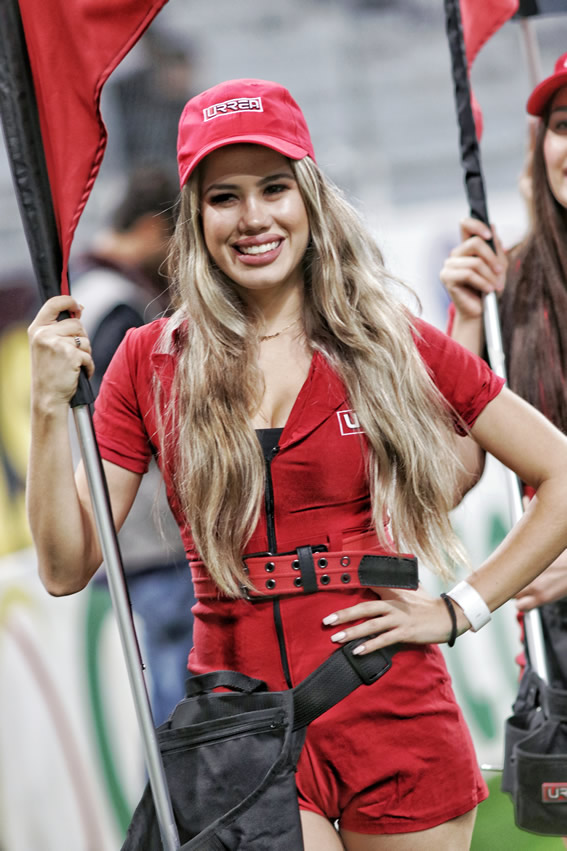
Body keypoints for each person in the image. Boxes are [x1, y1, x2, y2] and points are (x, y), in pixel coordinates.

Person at [26, 78, 567, 850]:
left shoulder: (387, 338)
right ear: (194, 216)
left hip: (391, 711)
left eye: (273, 188)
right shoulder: (150, 361)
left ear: (309, 196)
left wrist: (457, 609)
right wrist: (48, 412)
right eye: (224, 197)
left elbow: (559, 473)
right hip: (239, 729)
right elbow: (65, 564)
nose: (253, 218)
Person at [440, 52, 567, 689]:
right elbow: (446, 478)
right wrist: (465, 323)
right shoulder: (509, 288)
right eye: (563, 125)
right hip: (554, 646)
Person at [70, 165, 196, 726]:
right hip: (149, 536)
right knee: (184, 710)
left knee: (177, 700)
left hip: (127, 534)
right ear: (150, 229)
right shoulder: (120, 308)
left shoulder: (80, 294)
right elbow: (129, 429)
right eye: (174, 238)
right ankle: (179, 810)